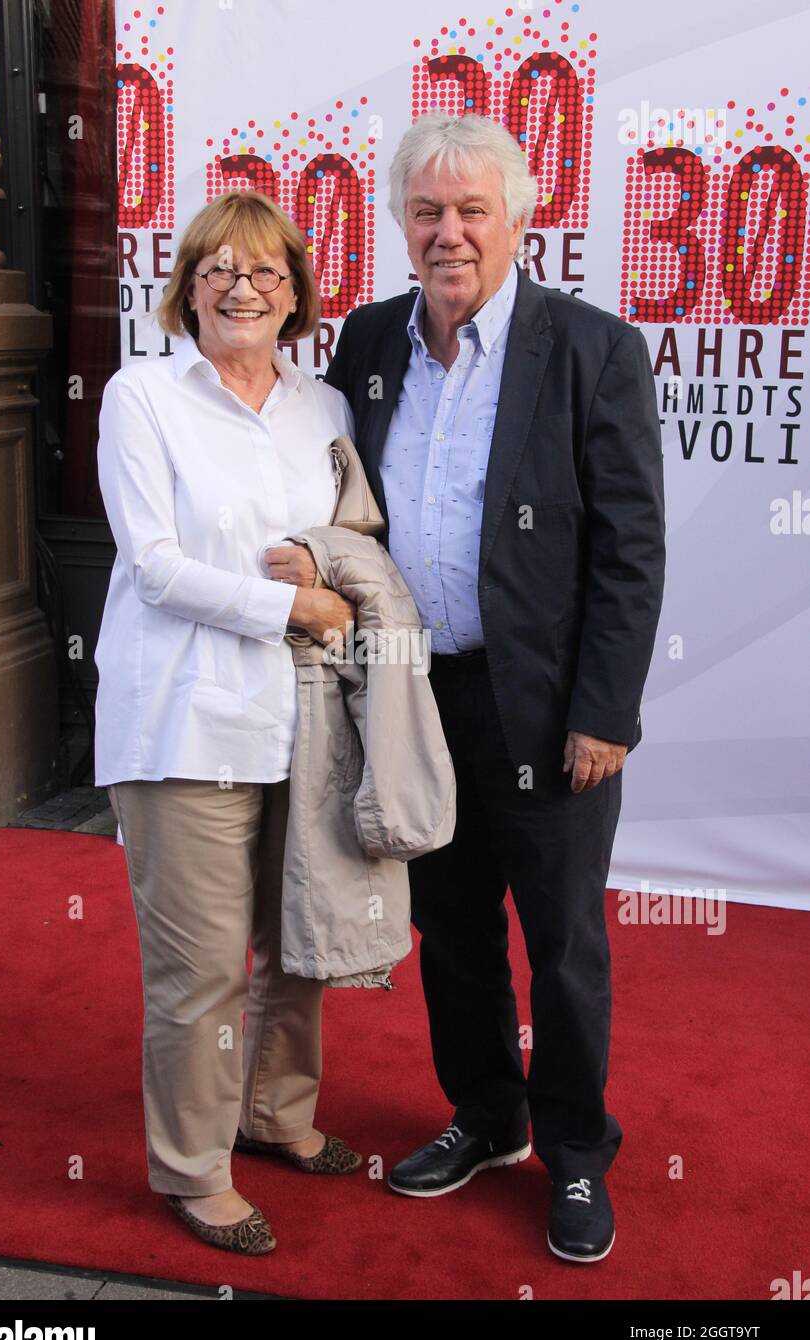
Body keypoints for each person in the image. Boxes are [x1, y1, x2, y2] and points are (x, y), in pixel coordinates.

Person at [317, 110, 665, 1261]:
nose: (448, 231)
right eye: (426, 211)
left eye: (471, 210)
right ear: (399, 224)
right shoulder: (366, 344)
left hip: (548, 706)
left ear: (518, 219)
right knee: (450, 928)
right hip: (413, 699)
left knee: (561, 942)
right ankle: (486, 1113)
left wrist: (603, 712)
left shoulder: (592, 349)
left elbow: (627, 549)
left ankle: (573, 1151)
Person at [93, 189, 364, 1257]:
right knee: (201, 965)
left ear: (294, 292)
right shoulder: (140, 396)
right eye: (216, 268)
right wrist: (293, 601)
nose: (240, 287)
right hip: (182, 721)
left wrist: (331, 583)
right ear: (185, 288)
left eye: (263, 271)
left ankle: (276, 1114)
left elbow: (345, 542)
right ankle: (193, 1169)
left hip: (301, 720)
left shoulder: (325, 407)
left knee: (297, 943)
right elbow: (156, 568)